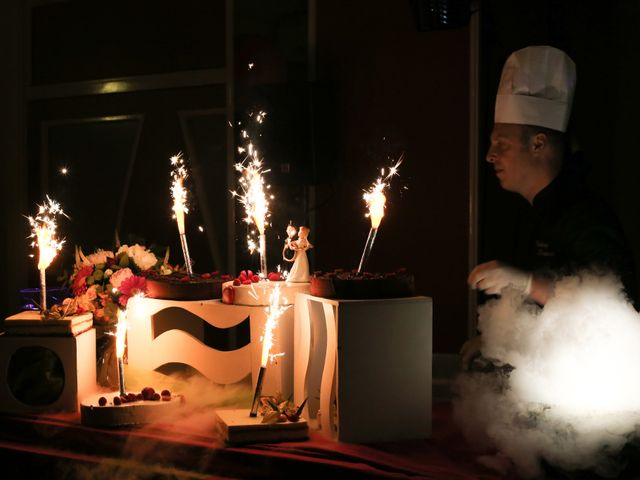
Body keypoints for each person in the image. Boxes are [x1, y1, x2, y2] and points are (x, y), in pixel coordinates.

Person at [462, 45, 636, 368]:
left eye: (501, 144)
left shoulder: (585, 216)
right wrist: (498, 342)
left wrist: (528, 283)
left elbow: (616, 312)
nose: (489, 155)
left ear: (538, 144)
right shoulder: (531, 214)